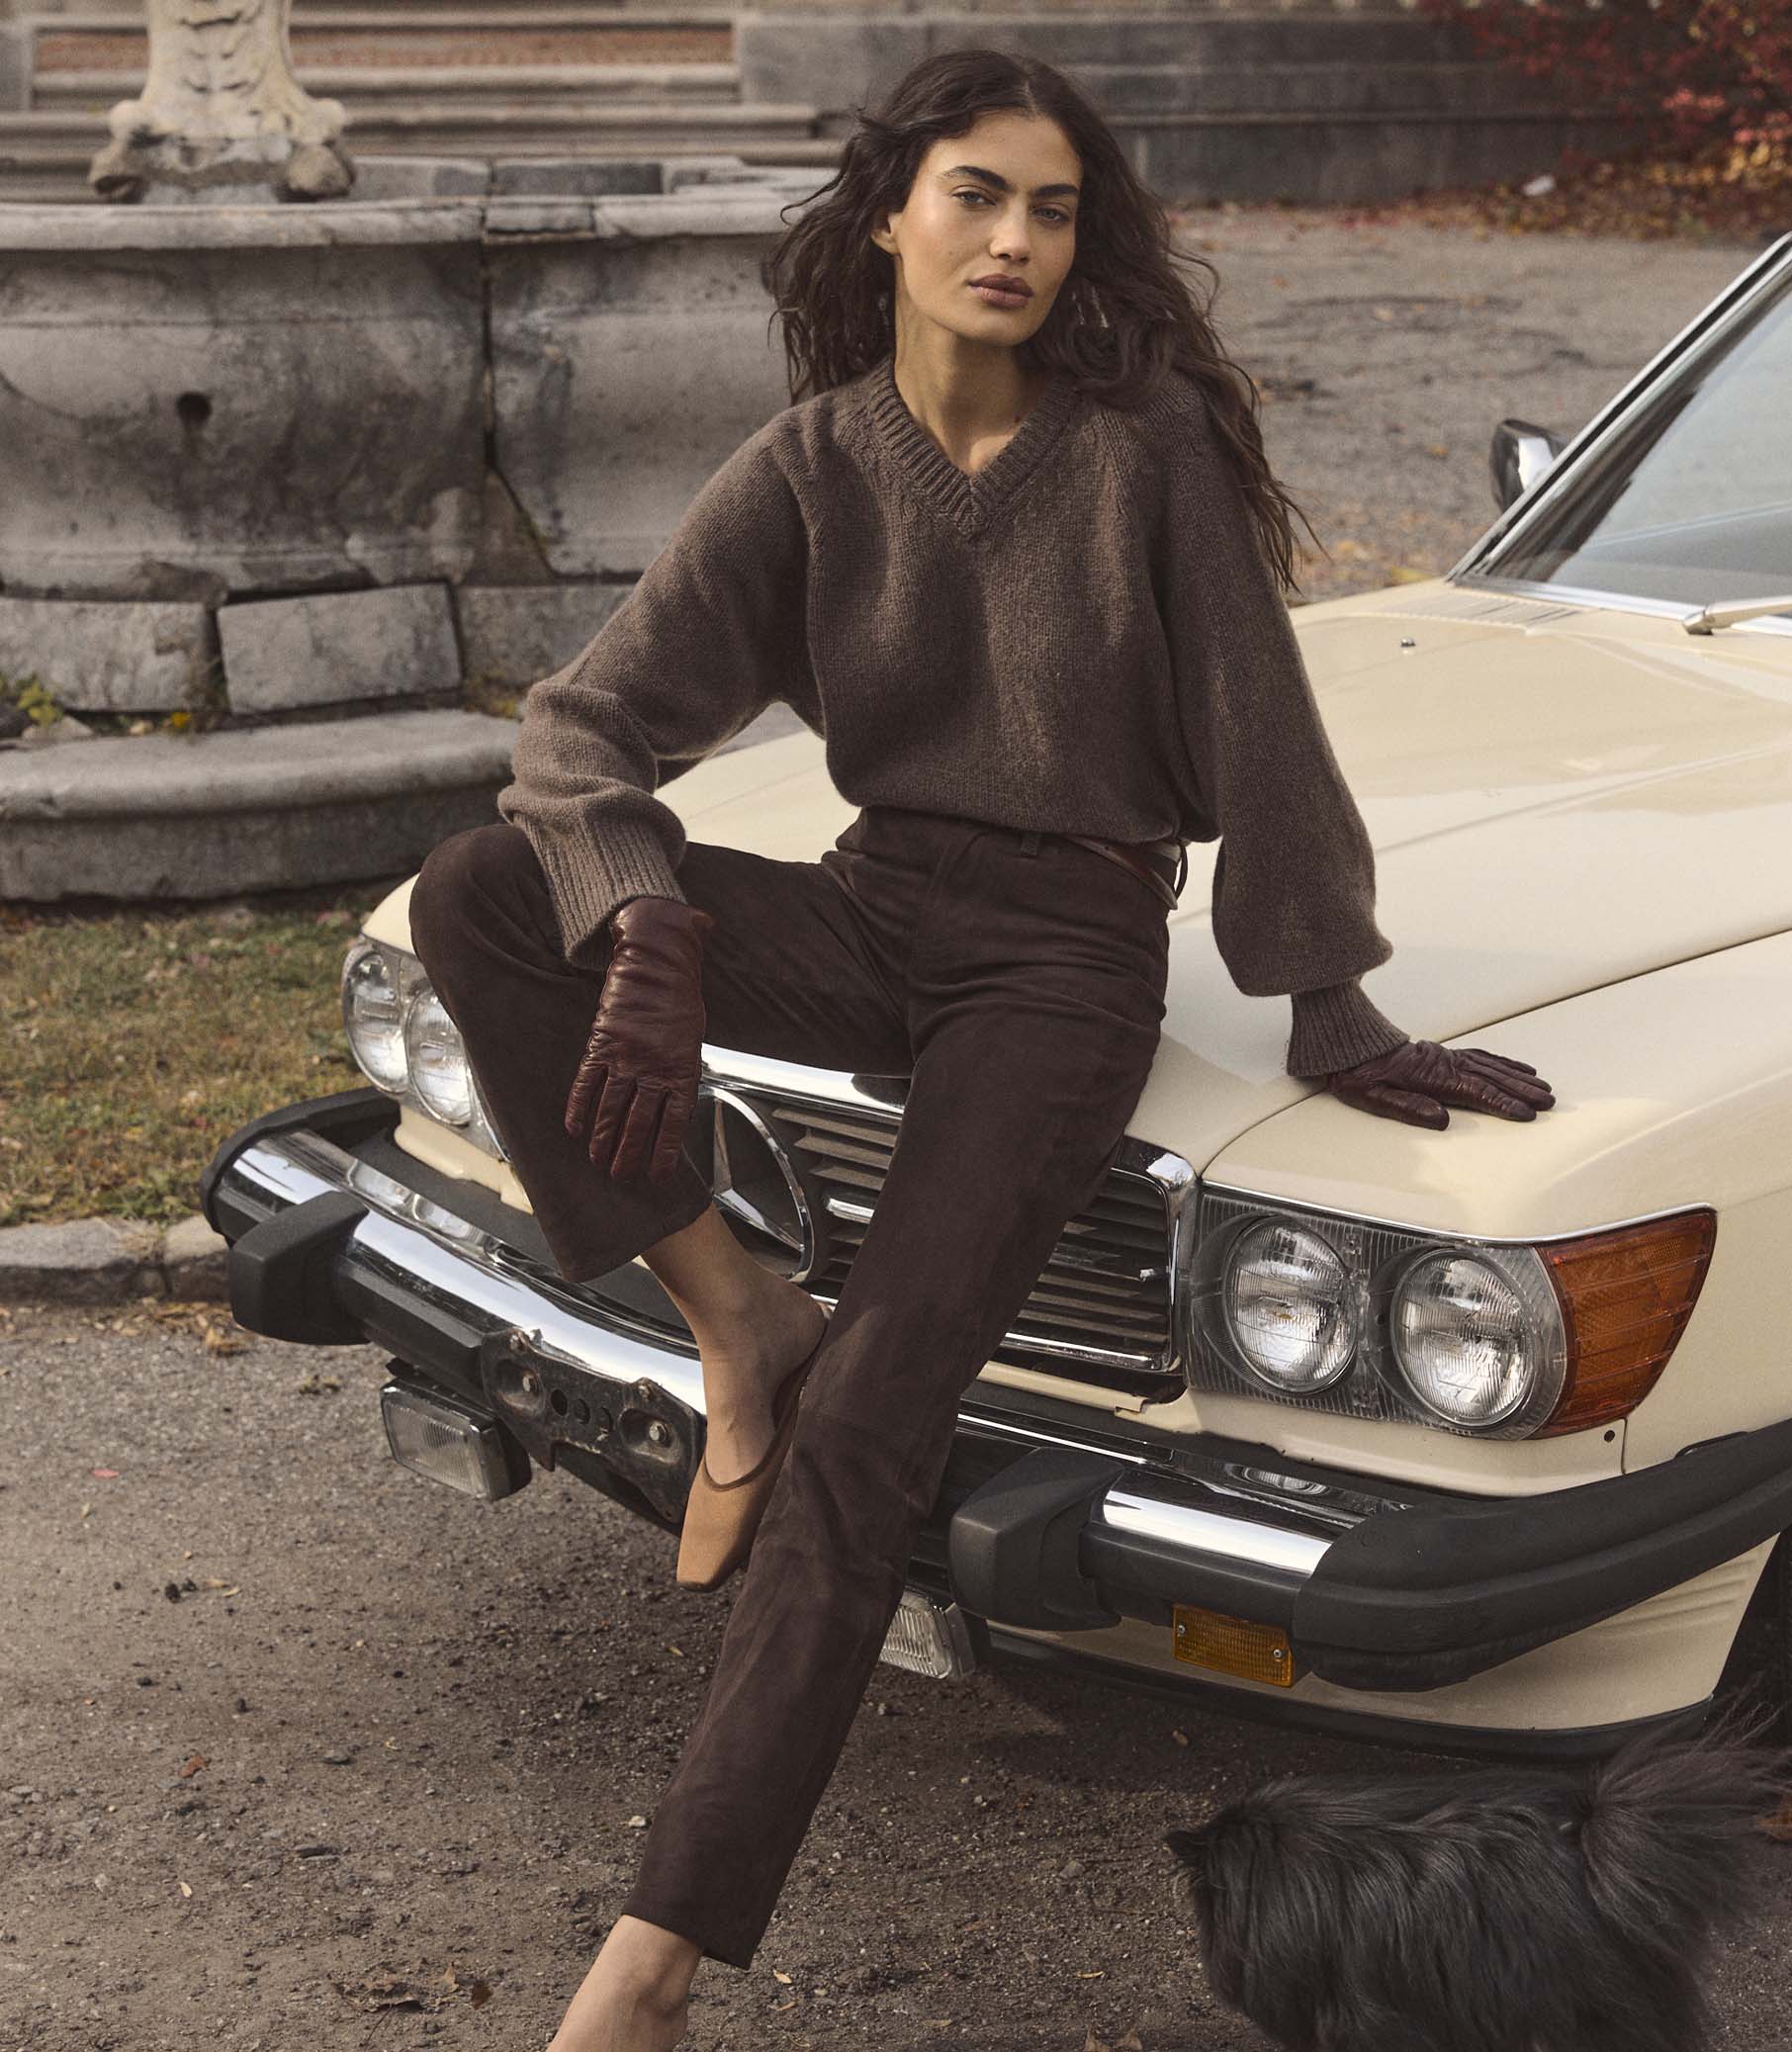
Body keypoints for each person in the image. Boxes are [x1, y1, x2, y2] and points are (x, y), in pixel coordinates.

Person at [406, 45, 1556, 2052]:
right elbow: (579, 733)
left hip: (1062, 964)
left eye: (1052, 207)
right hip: (873, 906)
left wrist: (1327, 987)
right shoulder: (817, 461)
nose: (1015, 239)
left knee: (873, 1442)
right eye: (975, 196)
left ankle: (649, 1966)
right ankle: (735, 1304)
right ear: (890, 216)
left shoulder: (1144, 456)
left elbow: (1265, 735)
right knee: (478, 895)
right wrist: (649, 912)